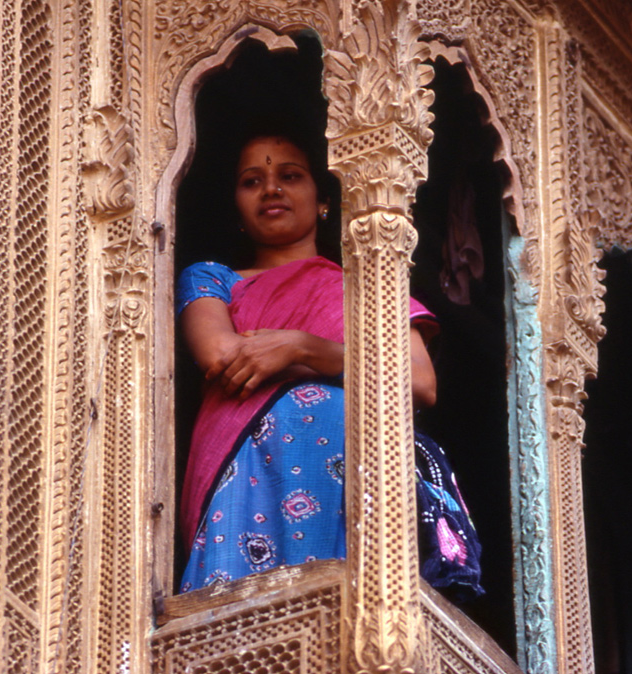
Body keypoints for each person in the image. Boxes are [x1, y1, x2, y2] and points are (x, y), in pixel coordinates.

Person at [176, 131, 481, 596]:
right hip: (242, 472)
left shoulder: (371, 292)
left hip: (346, 484)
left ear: (322, 199)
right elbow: (221, 356)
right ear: (236, 207)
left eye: (290, 176)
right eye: (252, 181)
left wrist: (302, 349)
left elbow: (419, 382)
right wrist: (346, 365)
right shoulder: (213, 279)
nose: (271, 189)